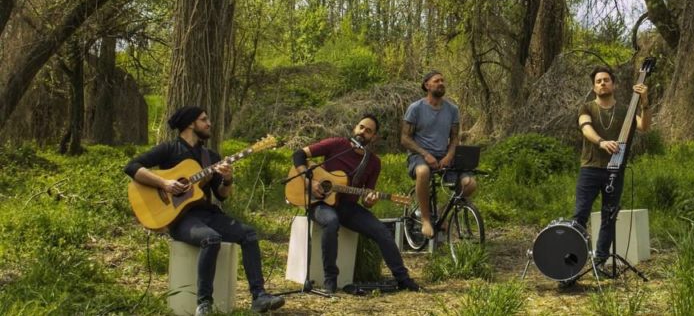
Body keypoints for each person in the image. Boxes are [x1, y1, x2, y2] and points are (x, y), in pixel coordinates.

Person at [124, 106, 284, 315]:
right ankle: (204, 303)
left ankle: (259, 296)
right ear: (191, 124)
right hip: (181, 219)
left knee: (249, 234)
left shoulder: (211, 156)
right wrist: (164, 184)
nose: (209, 123)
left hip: (208, 214)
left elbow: (222, 195)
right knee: (211, 239)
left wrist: (227, 178)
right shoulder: (169, 149)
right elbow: (132, 167)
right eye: (204, 119)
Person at [291, 114, 421, 293]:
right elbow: (299, 154)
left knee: (381, 231)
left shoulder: (373, 162)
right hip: (319, 202)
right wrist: (309, 182)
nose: (363, 132)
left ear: (373, 137)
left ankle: (403, 279)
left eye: (368, 131)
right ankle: (330, 280)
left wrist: (370, 201)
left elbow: (367, 198)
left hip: (348, 207)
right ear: (355, 128)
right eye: (361, 127)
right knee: (331, 221)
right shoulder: (336, 144)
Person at [573, 66, 650, 270]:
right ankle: (573, 261)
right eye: (598, 81)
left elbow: (644, 127)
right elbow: (585, 128)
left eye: (606, 80)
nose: (602, 83)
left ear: (613, 84)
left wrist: (645, 104)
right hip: (590, 168)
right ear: (593, 87)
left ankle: (599, 261)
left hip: (615, 170)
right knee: (580, 214)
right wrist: (601, 142)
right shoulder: (587, 107)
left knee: (609, 216)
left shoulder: (626, 110)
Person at [401, 71, 477, 240]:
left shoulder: (452, 109)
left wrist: (449, 155)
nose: (441, 83)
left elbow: (455, 137)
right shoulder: (415, 108)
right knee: (423, 172)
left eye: (443, 80)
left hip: (444, 157)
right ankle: (426, 219)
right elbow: (405, 138)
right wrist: (425, 154)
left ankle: (442, 214)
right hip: (419, 155)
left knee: (469, 184)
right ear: (427, 85)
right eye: (437, 81)